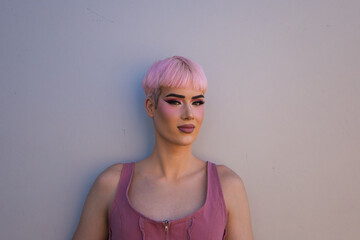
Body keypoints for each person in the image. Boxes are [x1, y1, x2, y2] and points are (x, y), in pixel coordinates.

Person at [73, 56, 254, 240]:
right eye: (175, 101)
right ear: (151, 107)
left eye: (197, 102)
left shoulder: (228, 187)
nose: (189, 114)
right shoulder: (111, 184)